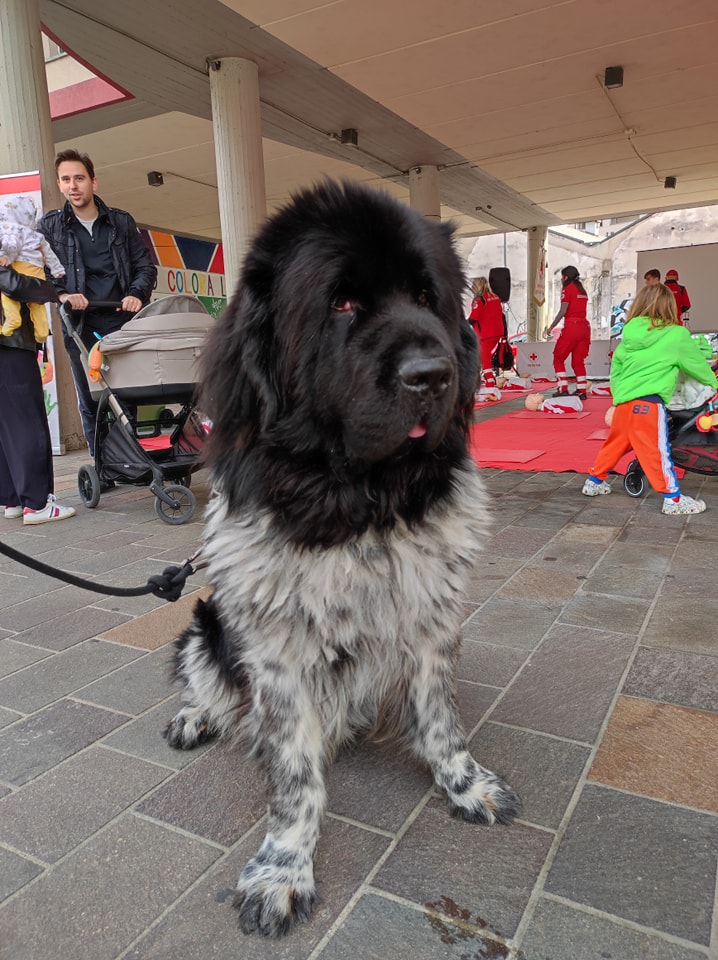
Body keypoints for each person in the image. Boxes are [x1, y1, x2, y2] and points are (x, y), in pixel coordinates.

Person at [38, 149, 157, 454]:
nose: (73, 185)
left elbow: (145, 266)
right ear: (60, 184)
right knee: (91, 397)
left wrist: (136, 294)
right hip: (81, 324)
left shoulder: (120, 222)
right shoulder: (50, 227)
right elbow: (40, 271)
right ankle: (102, 465)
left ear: (94, 182)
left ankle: (129, 458)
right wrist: (63, 294)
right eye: (66, 179)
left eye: (79, 178)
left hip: (122, 322)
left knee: (126, 393)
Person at [581, 283, 717, 516]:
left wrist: (619, 396)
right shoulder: (676, 335)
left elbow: (617, 369)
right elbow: (696, 366)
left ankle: (594, 482)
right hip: (649, 405)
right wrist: (714, 384)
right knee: (657, 450)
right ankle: (673, 499)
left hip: (624, 404)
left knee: (614, 445)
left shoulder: (630, 335)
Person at [0, 265, 75, 524]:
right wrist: (48, 289)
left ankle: (14, 500)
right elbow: (14, 284)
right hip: (10, 343)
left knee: (7, 424)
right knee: (28, 422)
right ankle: (37, 504)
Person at [0, 194, 65, 343]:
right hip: (37, 271)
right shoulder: (36, 235)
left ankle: (12, 318)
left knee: (8, 297)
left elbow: (12, 246)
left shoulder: (10, 230)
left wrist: (6, 259)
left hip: (20, 267)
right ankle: (42, 332)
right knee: (37, 305)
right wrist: (57, 270)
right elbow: (49, 254)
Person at [544, 265, 591, 399]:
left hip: (572, 326)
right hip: (584, 328)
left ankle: (563, 388)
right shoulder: (582, 290)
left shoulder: (567, 289)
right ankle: (582, 390)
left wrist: (551, 326)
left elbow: (563, 311)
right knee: (578, 361)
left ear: (565, 277)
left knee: (558, 358)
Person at [467, 276, 505, 387]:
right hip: (497, 332)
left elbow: (473, 318)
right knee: (484, 357)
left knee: (485, 360)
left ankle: (490, 383)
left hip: (485, 334)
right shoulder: (495, 297)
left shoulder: (479, 300)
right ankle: (488, 380)